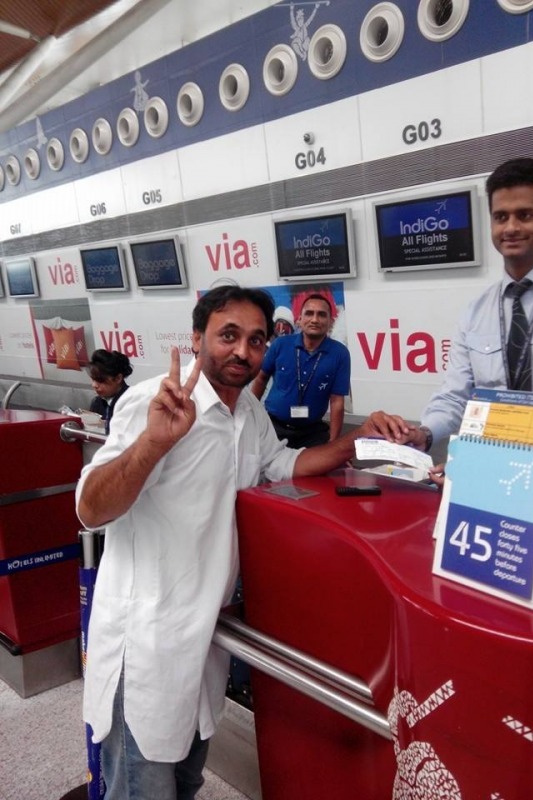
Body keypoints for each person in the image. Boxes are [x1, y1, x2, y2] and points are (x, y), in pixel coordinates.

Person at [76, 285, 402, 800]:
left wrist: (363, 443)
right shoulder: (155, 402)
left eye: (255, 339)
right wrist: (155, 442)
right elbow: (90, 508)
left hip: (208, 641)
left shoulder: (247, 415)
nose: (243, 351)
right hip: (148, 647)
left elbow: (285, 465)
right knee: (143, 789)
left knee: (185, 783)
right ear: (197, 337)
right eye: (228, 335)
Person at [376, 157, 533, 457]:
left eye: (525, 215)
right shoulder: (475, 313)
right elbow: (455, 396)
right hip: (491, 467)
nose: (511, 228)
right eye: (501, 217)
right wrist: (426, 434)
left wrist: (478, 467)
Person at [251, 293, 351, 448]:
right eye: (309, 313)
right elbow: (260, 379)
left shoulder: (340, 353)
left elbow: (337, 401)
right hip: (273, 429)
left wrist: (333, 443)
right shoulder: (280, 345)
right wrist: (250, 418)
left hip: (312, 434)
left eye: (321, 315)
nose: (315, 320)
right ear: (299, 319)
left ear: (331, 322)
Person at [89, 349, 133, 434]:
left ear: (118, 378)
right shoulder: (97, 402)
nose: (94, 385)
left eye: (100, 380)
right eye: (93, 379)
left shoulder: (132, 401)